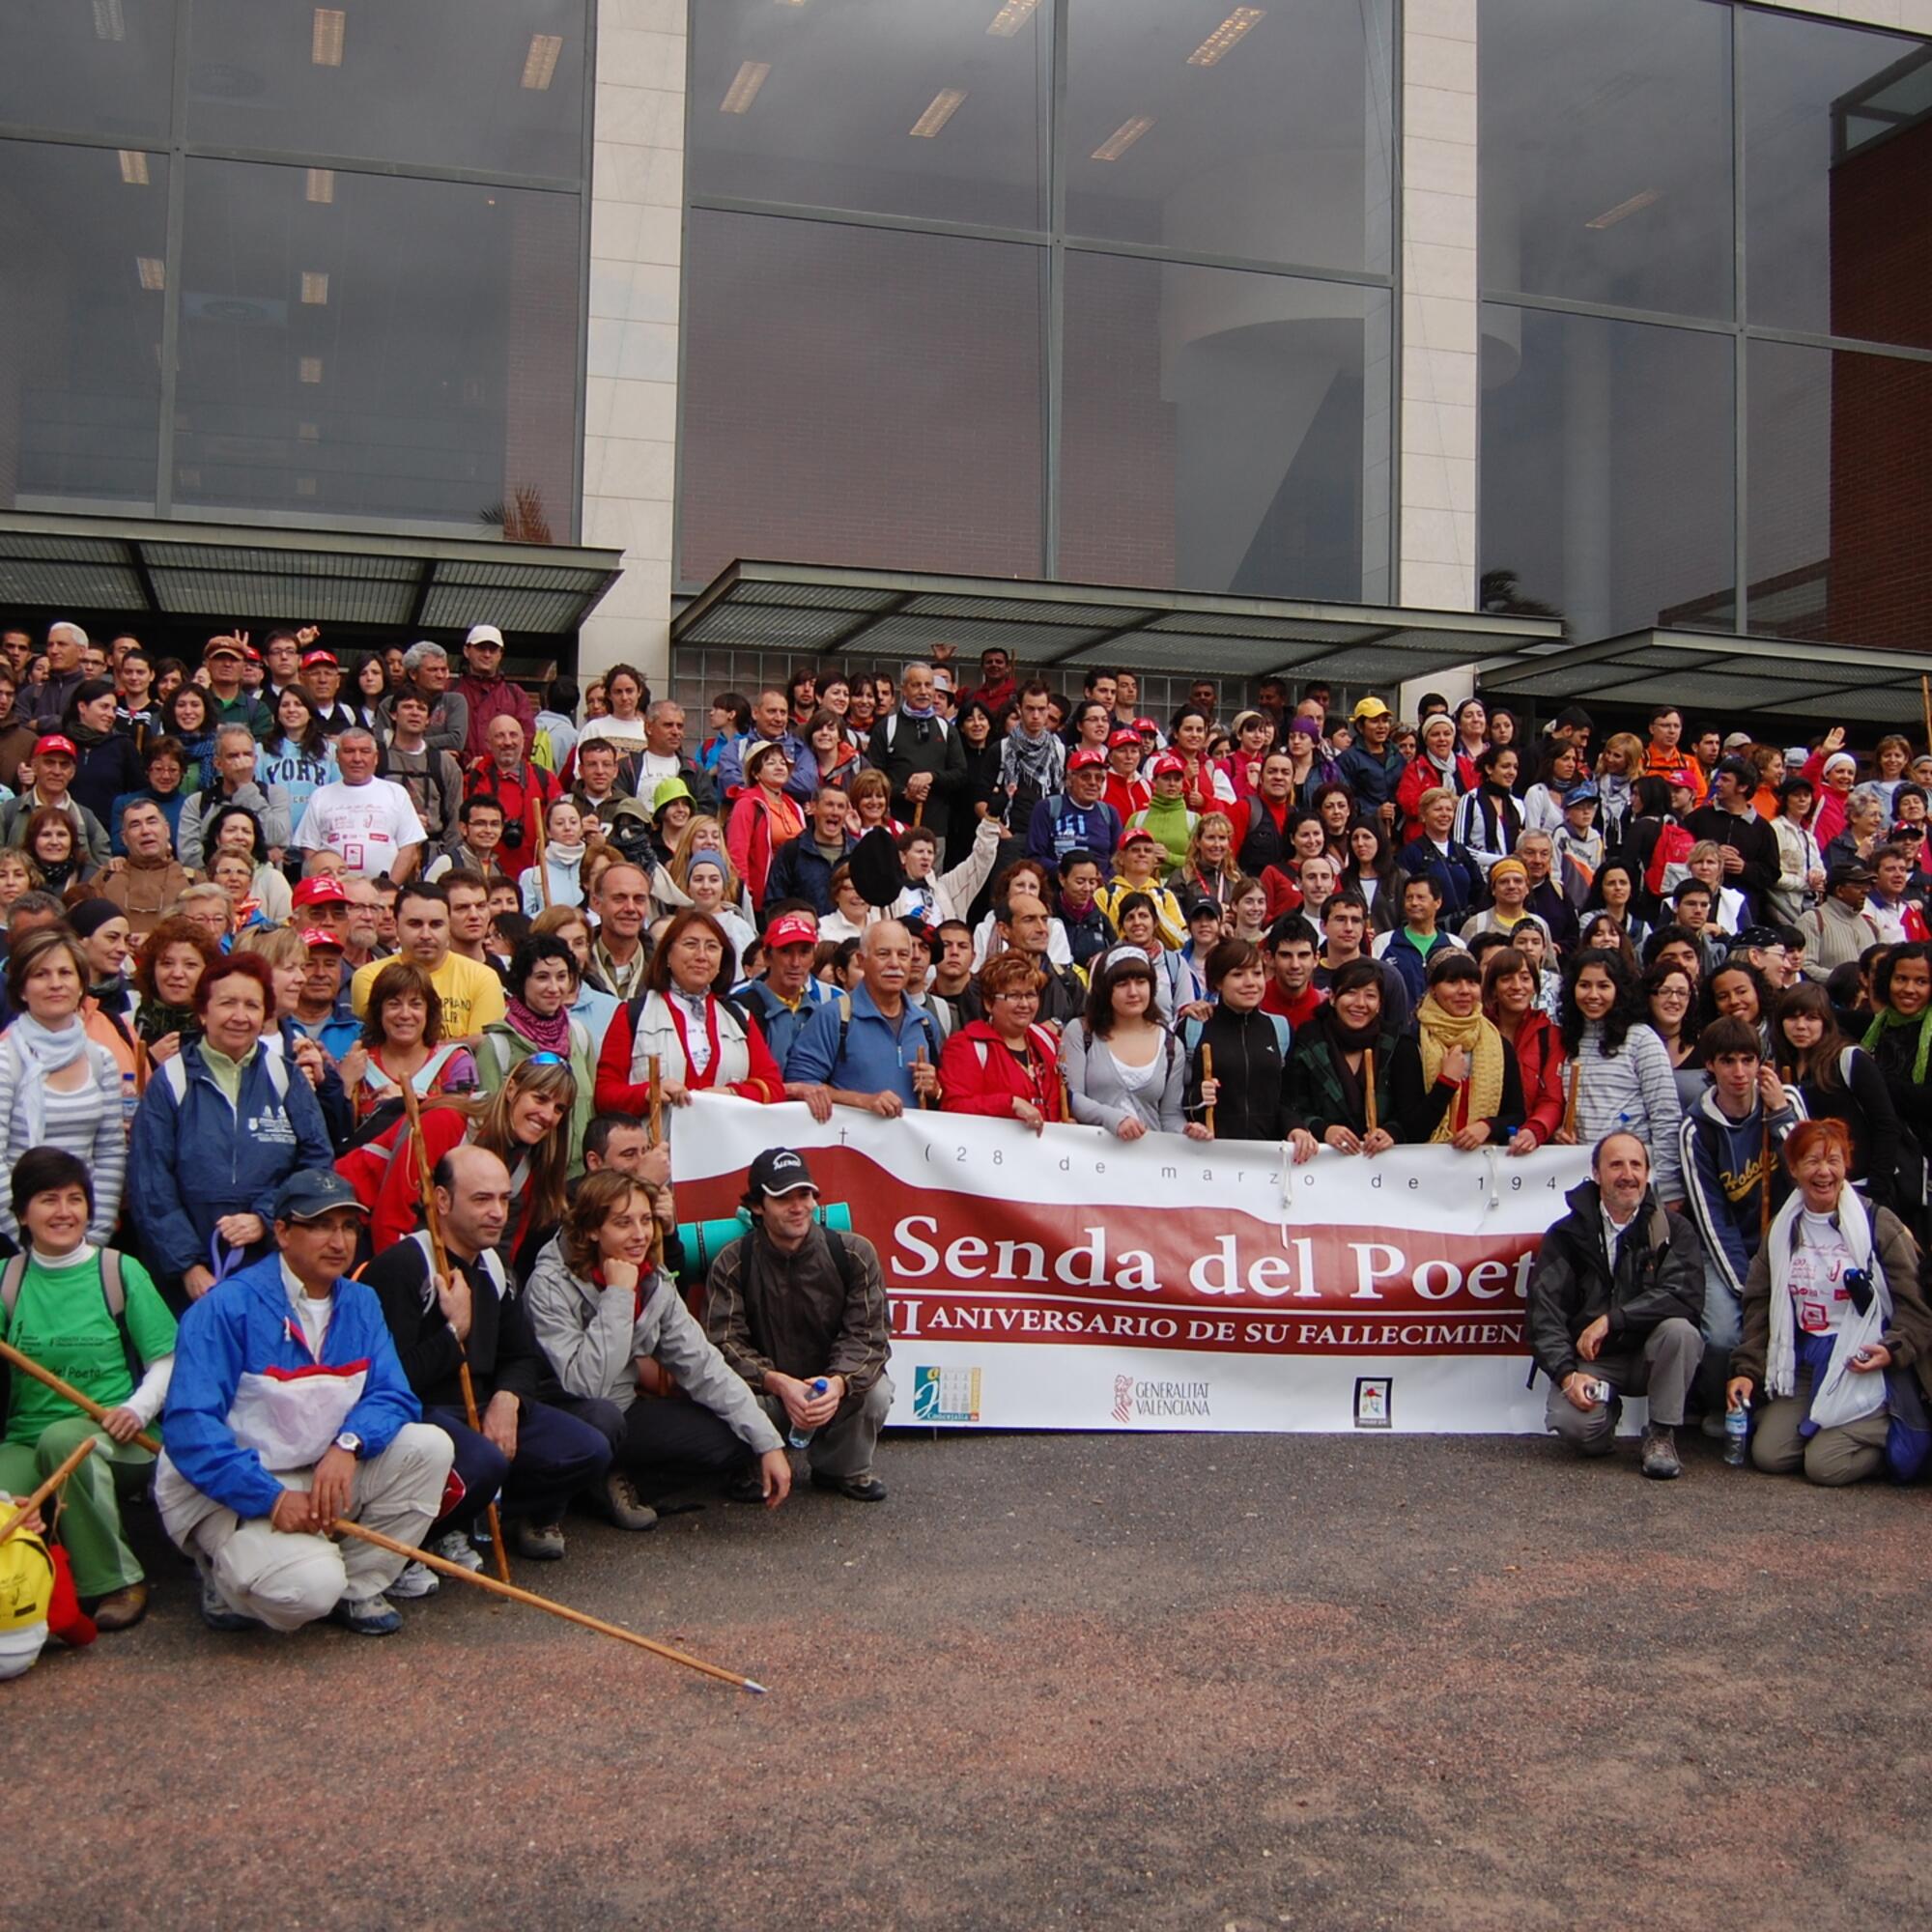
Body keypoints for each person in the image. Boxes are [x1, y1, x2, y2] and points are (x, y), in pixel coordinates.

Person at [155, 1169, 454, 1636]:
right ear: (281, 1231)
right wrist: (269, 1498)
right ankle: (227, 1574)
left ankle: (352, 1587)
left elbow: (393, 1395)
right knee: (307, 1589)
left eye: (349, 1227)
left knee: (430, 1446)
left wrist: (349, 1443)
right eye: (320, 1225)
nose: (338, 1241)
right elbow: (191, 1430)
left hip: (316, 1465)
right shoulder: (225, 1306)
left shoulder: (361, 1302)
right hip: (233, 1484)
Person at [364, 1145, 612, 1573]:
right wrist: (452, 1334)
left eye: (503, 1199)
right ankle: (416, 1538)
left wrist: (508, 1399)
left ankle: (465, 1516)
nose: (498, 1212)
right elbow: (391, 1379)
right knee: (483, 1463)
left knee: (588, 1448)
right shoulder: (404, 1266)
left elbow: (521, 1355)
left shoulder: (494, 1266)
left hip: (480, 1405)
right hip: (423, 1415)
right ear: (441, 1201)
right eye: (482, 1200)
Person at [526, 1170, 791, 1511]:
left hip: (623, 1411)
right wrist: (618, 1295)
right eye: (623, 1223)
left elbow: (703, 1365)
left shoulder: (653, 1281)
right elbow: (584, 1386)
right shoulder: (550, 1284)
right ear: (592, 1230)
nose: (640, 1235)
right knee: (601, 1418)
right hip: (565, 1412)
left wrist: (768, 1444)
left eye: (646, 1220)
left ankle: (619, 1484)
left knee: (737, 1436)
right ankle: (571, 1491)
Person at [0, 1148, 175, 1631]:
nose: (63, 1212)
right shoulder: (7, 1281)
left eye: (75, 1199)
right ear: (21, 1213)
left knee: (64, 1441)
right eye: (47, 1199)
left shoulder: (119, 1271)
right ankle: (22, 1597)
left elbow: (167, 1359)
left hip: (117, 1439)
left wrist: (138, 1409)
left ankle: (115, 1581)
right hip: (26, 1437)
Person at [1726, 1119, 1931, 1487]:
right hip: (1805, 1357)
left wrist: (1893, 1349)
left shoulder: (1877, 1223)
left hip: (1866, 1358)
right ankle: (1825, 1424)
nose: (1824, 1172)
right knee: (1768, 1455)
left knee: (1824, 1466)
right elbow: (1759, 1306)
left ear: (1846, 1166)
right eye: (1812, 1161)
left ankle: (1886, 1424)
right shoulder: (1782, 1230)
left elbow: (1917, 1305)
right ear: (1793, 1170)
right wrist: (1747, 1369)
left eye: (1833, 1161)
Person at [128, 952, 336, 1303]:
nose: (240, 1016)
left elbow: (316, 1163)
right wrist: (188, 1267)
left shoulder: (285, 1077)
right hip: (188, 1273)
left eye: (252, 1005)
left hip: (272, 1261)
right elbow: (150, 1183)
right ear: (203, 1012)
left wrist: (265, 1219)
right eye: (227, 1003)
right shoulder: (173, 1080)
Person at [699, 1145, 894, 1502]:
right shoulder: (732, 1261)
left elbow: (869, 1337)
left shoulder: (854, 1253)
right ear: (757, 1206)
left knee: (876, 1390)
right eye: (783, 1197)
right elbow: (722, 1344)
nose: (798, 1206)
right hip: (768, 1394)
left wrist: (836, 1384)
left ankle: (842, 1469)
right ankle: (752, 1467)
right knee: (722, 1395)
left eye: (804, 1194)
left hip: (828, 1391)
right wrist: (777, 1383)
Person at [1526, 1131, 1705, 1478]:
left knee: (1681, 1332)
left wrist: (1613, 1319)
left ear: (1648, 1173)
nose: (1628, 1174)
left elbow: (1685, 1296)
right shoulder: (1566, 1235)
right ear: (1596, 1174)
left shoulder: (1673, 1230)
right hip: (1595, 1362)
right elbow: (1542, 1315)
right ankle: (1605, 1417)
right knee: (1574, 1427)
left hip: (1650, 1357)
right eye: (1616, 1165)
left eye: (1636, 1165)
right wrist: (1566, 1375)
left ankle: (1661, 1434)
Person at [1678, 1015, 1801, 1426]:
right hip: (1725, 1251)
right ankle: (1719, 1404)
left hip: (1788, 1242)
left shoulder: (1787, 1101)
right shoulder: (1697, 1127)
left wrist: (1781, 1115)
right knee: (1723, 1337)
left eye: (1748, 1060)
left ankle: (1778, 1406)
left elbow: (1814, 1172)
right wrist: (1749, 1286)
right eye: (1728, 1061)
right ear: (1710, 1065)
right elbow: (1711, 1218)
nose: (1739, 1072)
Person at [0, 929, 129, 1246]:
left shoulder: (101, 1059)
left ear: (81, 984)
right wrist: (25, 1235)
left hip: (86, 1234)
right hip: (17, 1234)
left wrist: (93, 1235)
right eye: (41, 974)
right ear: (23, 990)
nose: (55, 983)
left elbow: (111, 1150)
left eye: (65, 973)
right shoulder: (6, 1060)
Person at [593, 906, 784, 1116]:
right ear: (667, 954)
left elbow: (773, 1089)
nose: (701, 956)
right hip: (655, 1146)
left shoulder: (739, 1019)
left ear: (722, 960)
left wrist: (732, 1093)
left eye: (712, 947)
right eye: (690, 945)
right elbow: (604, 1095)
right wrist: (648, 1094)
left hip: (724, 1146)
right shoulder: (633, 1014)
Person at [1554, 950, 1685, 1204]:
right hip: (1583, 1183)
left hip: (1636, 1184)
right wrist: (1559, 1133)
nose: (1593, 995)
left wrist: (1669, 1191)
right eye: (1584, 985)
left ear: (1619, 990)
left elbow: (1665, 1117)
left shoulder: (1641, 1040)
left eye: (1603, 986)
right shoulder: (1566, 1042)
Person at [784, 921, 943, 1120]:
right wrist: (862, 1101)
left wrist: (935, 1090)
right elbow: (800, 1085)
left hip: (908, 1149)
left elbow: (941, 1100)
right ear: (861, 960)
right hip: (848, 1146)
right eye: (883, 954)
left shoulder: (926, 1023)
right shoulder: (834, 1016)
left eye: (903, 955)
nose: (895, 963)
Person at [1773, 980, 1905, 1211]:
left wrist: (1876, 1191)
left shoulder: (1849, 1059)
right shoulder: (1782, 1068)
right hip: (1811, 1194)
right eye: (1792, 1018)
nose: (1801, 1026)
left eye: (1811, 1018)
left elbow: (1886, 1124)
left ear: (1825, 1021)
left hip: (1860, 1188)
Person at [1285, 956, 1435, 1156]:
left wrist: (1392, 1132)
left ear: (1380, 1004)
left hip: (1383, 1167)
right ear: (1332, 997)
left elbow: (1411, 1117)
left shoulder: (1398, 1044)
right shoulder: (1309, 1040)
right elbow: (1291, 1107)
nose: (1360, 1004)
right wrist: (1324, 1130)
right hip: (1321, 1165)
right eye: (1351, 993)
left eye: (1370, 996)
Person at [476, 934, 596, 1163]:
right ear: (523, 980)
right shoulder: (497, 1045)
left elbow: (591, 1107)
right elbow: (488, 1122)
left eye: (562, 977)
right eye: (542, 977)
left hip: (579, 1175)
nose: (554, 988)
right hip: (525, 1180)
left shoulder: (580, 1036)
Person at [349, 880, 506, 1043]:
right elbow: (383, 1046)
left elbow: (485, 1047)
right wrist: (461, 1043)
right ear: (396, 926)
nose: (425, 934)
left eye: (436, 925)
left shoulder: (483, 978)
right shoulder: (369, 977)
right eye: (415, 924)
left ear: (449, 927)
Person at [1061, 946, 1191, 1139]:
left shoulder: (1170, 1044)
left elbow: (1170, 1115)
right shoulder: (1081, 1032)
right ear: (1105, 990)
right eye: (1122, 984)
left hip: (1149, 1158)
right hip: (1093, 1156)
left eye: (1141, 982)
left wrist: (1186, 1131)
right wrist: (1114, 1119)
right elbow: (1073, 1097)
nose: (1133, 992)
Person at [338, 958, 478, 1124]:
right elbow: (337, 1136)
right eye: (394, 1004)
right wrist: (343, 1085)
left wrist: (409, 1101)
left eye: (415, 1005)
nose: (405, 1014)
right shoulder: (358, 1063)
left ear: (429, 1011)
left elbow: (464, 1124)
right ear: (379, 1011)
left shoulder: (455, 1061)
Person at [938, 952, 1066, 1129]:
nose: (1024, 1004)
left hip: (1047, 1152)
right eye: (1013, 996)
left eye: (1030, 995)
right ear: (989, 1003)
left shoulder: (1048, 1041)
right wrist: (1010, 1104)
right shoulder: (967, 1045)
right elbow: (954, 1107)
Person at [1413, 951, 1525, 1151]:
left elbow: (1516, 1115)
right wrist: (1446, 1083)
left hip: (1482, 1166)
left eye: (1472, 982)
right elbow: (1411, 1127)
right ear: (1432, 989)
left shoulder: (1499, 1045)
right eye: (1453, 982)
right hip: (1425, 1165)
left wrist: (1488, 1127)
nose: (1464, 990)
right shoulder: (1413, 1042)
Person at [1179, 938, 1289, 1141]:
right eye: (1238, 975)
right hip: (1208, 1155)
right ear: (1218, 982)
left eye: (1257, 973)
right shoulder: (1193, 1028)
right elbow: (1170, 1099)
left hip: (1268, 1157)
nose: (1250, 983)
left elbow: (1289, 1098)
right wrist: (1196, 1097)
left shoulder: (1279, 1028)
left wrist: (1295, 1128)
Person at [292, 727, 425, 883]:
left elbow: (408, 848)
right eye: (349, 751)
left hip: (383, 893)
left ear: (376, 758)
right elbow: (310, 848)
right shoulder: (320, 795)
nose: (357, 758)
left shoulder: (396, 793)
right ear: (337, 757)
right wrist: (326, 884)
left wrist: (389, 889)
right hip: (334, 894)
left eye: (365, 751)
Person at [869, 662, 967, 857]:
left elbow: (960, 774)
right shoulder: (886, 728)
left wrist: (932, 777)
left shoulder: (946, 729)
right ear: (904, 689)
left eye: (928, 685)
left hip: (935, 831)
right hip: (896, 826)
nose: (923, 691)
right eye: (916, 685)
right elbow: (873, 777)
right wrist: (904, 792)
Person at [464, 715, 559, 884]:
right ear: (488, 743)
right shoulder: (473, 779)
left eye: (513, 735)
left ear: (524, 740)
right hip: (481, 879)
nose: (507, 742)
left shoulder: (545, 779)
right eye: (499, 736)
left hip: (534, 879)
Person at [1, 734, 111, 867]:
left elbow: (104, 868)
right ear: (35, 766)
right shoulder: (9, 811)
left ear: (72, 772)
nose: (57, 771)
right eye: (49, 762)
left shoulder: (85, 817)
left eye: (64, 765)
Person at [725, 740, 805, 915]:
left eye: (783, 763)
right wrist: (745, 894)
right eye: (770, 762)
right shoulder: (747, 804)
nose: (779, 767)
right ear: (755, 773)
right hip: (762, 899)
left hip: (793, 894)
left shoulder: (793, 806)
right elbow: (737, 852)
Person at [453, 623, 534, 762]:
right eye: (481, 648)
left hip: (503, 779)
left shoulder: (516, 694)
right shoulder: (450, 690)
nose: (487, 654)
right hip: (457, 778)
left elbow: (526, 739)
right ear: (466, 651)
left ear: (500, 654)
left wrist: (489, 764)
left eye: (493, 649)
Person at [1798, 861, 1884, 983]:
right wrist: (1848, 979)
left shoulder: (1871, 925)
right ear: (1839, 890)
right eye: (1858, 886)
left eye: (1867, 886)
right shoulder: (1812, 920)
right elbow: (1804, 966)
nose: (1866, 890)